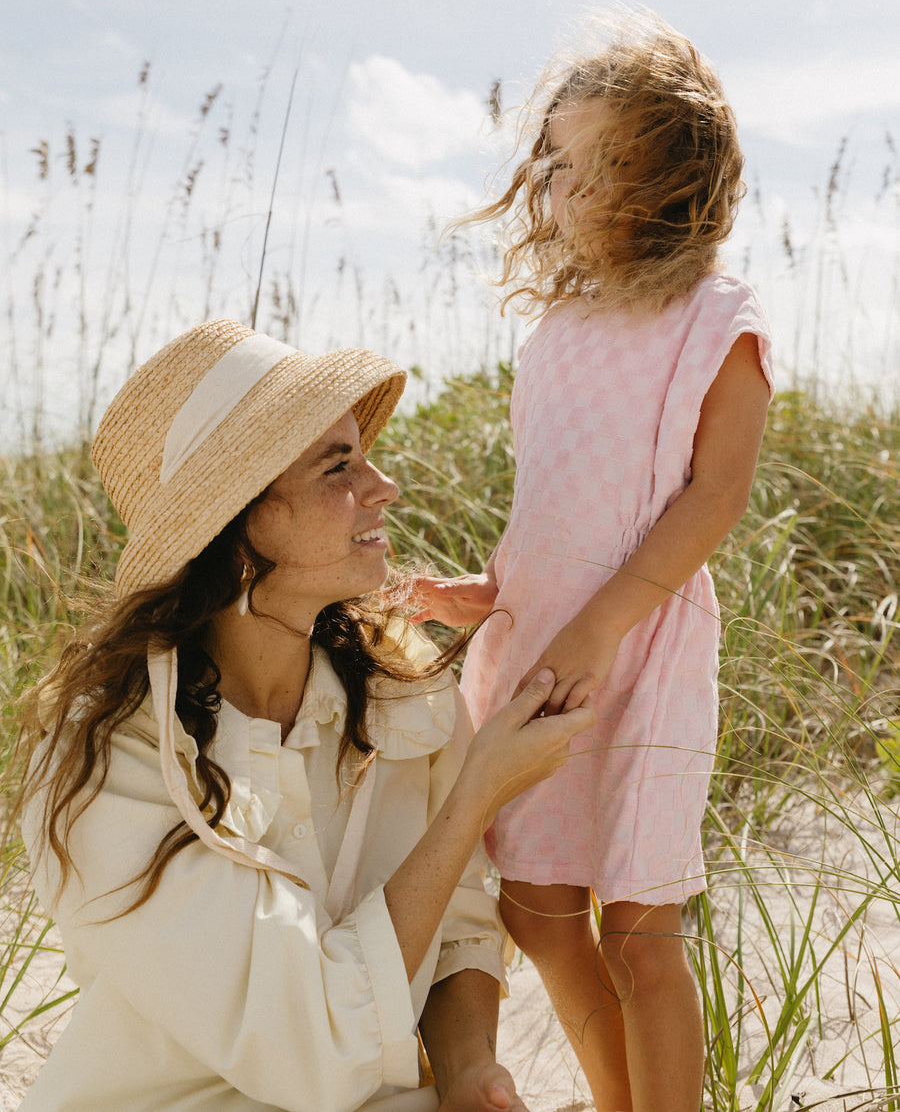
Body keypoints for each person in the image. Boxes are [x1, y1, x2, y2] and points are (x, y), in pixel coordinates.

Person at [16, 319, 595, 1112]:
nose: (383, 486)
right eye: (339, 466)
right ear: (242, 524)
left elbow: (459, 922)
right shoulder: (107, 762)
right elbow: (318, 1053)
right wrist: (475, 797)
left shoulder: (402, 683)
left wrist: (466, 1070)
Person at [410, 10, 775, 1112]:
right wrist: (485, 595)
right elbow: (553, 514)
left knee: (645, 927)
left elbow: (714, 495)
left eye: (597, 166)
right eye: (556, 166)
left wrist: (603, 624)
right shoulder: (555, 332)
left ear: (675, 177)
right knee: (534, 907)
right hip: (539, 645)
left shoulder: (718, 320)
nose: (563, 191)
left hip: (643, 645)